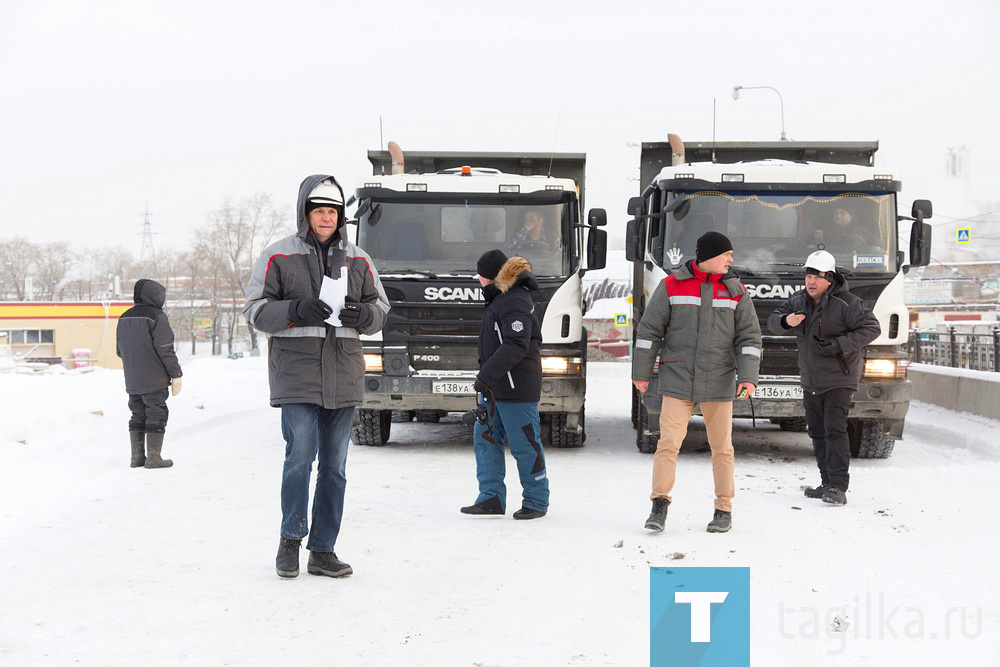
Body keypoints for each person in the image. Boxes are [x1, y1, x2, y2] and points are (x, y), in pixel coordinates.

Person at [244, 175, 390, 579]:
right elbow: (254, 310)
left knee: (335, 468)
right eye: (319, 210)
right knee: (299, 459)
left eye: (333, 211)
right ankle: (290, 541)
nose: (326, 217)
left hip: (343, 375)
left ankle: (323, 550)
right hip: (297, 376)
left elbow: (380, 306)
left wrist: (366, 315)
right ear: (305, 213)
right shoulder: (278, 256)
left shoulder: (359, 258)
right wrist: (296, 309)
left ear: (340, 216)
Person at [632, 232, 762, 534]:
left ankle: (723, 509)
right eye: (726, 255)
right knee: (667, 445)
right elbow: (649, 330)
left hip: (718, 379)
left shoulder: (737, 292)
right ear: (709, 256)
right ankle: (659, 505)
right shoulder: (671, 286)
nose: (731, 260)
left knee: (722, 449)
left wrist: (748, 377)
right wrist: (641, 372)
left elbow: (749, 339)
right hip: (678, 379)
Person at [767, 250, 880, 506]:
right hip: (811, 379)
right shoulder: (798, 300)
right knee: (817, 432)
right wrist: (786, 321)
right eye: (808, 276)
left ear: (830, 278)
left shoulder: (847, 303)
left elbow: (872, 328)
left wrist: (838, 344)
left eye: (817, 277)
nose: (811, 282)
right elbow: (773, 320)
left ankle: (838, 487)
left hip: (839, 378)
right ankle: (826, 483)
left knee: (834, 430)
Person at [461, 249, 550, 520]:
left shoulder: (513, 301)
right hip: (497, 387)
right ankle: (490, 498)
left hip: (516, 388)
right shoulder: (501, 299)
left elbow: (516, 345)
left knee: (525, 443)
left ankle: (536, 501)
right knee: (485, 436)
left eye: (479, 275)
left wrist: (485, 376)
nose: (478, 280)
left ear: (488, 278)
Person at [116, 279, 183, 469]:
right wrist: (176, 374)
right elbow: (165, 349)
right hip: (154, 378)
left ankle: (137, 458)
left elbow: (119, 351)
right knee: (156, 412)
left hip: (132, 378)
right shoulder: (156, 316)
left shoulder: (124, 317)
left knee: (137, 414)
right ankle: (154, 458)